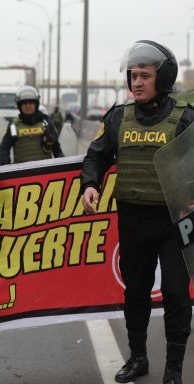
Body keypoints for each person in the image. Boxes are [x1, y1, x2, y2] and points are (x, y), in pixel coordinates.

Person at [81, 40, 194, 384]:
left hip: (176, 223)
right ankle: (138, 358)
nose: (137, 82)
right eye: (134, 75)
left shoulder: (185, 118)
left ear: (163, 78)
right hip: (133, 220)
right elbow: (96, 156)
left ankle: (173, 368)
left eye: (145, 75)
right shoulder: (118, 116)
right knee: (136, 292)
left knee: (176, 292)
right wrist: (91, 184)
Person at [0, 86, 64, 165]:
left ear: (36, 104)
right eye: (24, 103)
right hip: (21, 173)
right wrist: (6, 169)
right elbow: (4, 149)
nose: (28, 106)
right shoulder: (13, 126)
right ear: (19, 106)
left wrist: (64, 167)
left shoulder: (46, 123)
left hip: (45, 172)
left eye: (31, 103)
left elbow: (57, 148)